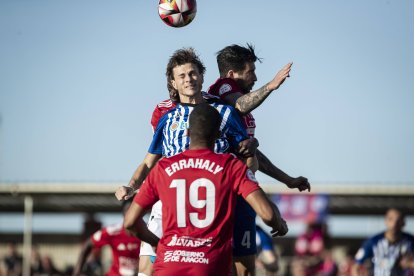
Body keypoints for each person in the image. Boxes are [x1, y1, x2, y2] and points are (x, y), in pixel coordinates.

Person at [115, 47, 258, 276]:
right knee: (146, 267)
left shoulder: (224, 112)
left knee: (226, 266)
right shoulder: (167, 118)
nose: (188, 79)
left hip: (213, 202)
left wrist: (248, 169)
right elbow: (148, 162)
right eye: (181, 76)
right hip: (170, 199)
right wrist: (131, 186)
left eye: (193, 73)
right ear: (173, 83)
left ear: (202, 77)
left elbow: (247, 155)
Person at [123, 103, 288, 276]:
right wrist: (279, 222)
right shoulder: (231, 166)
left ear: (187, 133)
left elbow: (130, 222)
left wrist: (158, 244)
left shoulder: (163, 167)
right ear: (218, 135)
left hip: (169, 266)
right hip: (210, 267)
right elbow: (267, 214)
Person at [208, 43, 311, 275]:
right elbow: (240, 104)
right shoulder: (224, 87)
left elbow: (254, 155)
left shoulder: (237, 116)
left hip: (243, 190)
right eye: (251, 71)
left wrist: (288, 180)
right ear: (233, 75)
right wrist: (272, 86)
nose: (255, 77)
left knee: (244, 269)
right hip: (224, 191)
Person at [72, 199, 141, 276]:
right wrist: (76, 272)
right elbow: (88, 244)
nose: (131, 215)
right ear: (123, 213)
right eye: (128, 211)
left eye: (135, 211)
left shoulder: (147, 233)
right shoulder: (113, 231)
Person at [352, 208, 414, 276]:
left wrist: (410, 264)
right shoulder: (373, 241)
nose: (394, 223)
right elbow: (356, 266)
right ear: (385, 221)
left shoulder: (410, 241)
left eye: (398, 220)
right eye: (391, 219)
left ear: (403, 222)